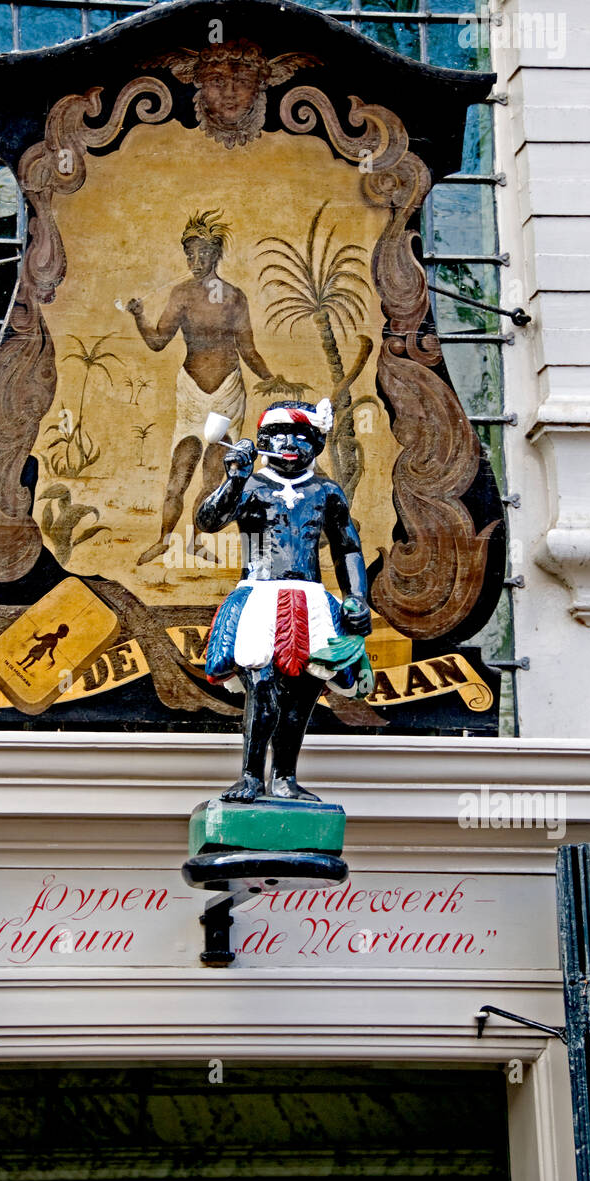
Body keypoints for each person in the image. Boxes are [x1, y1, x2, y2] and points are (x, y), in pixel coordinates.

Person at [196, 399, 372, 802]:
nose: (289, 444)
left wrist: (357, 596)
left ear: (316, 443)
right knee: (262, 687)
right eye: (278, 436)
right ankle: (251, 776)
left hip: (310, 601)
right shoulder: (252, 486)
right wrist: (235, 478)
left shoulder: (326, 492)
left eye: (300, 436)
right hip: (259, 599)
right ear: (262, 443)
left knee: (305, 694)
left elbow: (347, 548)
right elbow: (208, 520)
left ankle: (285, 778)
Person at [126, 209, 275, 565]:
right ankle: (164, 539)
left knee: (212, 474)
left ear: (216, 254)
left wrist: (272, 381)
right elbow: (159, 341)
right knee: (180, 470)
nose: (195, 260)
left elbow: (248, 349)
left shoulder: (235, 298)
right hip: (192, 391)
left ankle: (195, 541)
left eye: (202, 253)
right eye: (189, 254)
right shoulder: (181, 294)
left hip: (226, 392)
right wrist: (139, 316)